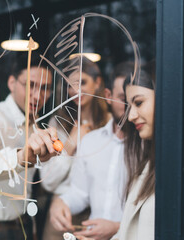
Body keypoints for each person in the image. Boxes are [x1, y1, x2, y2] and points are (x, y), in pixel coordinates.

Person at [110, 62, 184, 240]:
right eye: (129, 106)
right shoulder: (151, 163)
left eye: (138, 103)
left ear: (169, 98)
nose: (131, 116)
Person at [0, 52, 60, 240]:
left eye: (45, 88)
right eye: (31, 85)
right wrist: (22, 157)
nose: (38, 95)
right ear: (11, 83)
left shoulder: (36, 126)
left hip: (22, 226)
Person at [46, 62, 135, 240]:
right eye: (70, 85)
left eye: (82, 83)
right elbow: (73, 189)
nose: (75, 91)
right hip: (68, 213)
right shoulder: (61, 125)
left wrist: (118, 227)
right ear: (109, 96)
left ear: (97, 84)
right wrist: (60, 201)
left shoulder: (145, 144)